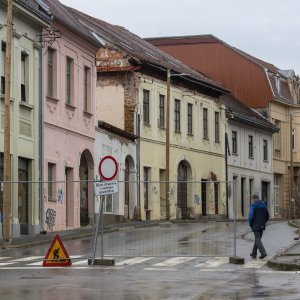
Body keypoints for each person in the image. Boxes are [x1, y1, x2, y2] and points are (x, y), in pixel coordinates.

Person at [248, 194, 269, 259]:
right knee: (258, 239)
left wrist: (250, 224)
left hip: (255, 225)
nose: (252, 201)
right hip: (262, 225)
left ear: (254, 199)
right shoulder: (264, 205)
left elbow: (250, 216)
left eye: (252, 199)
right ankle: (254, 253)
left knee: (257, 239)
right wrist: (263, 222)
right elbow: (267, 216)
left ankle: (263, 253)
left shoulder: (253, 206)